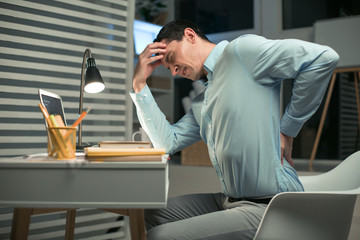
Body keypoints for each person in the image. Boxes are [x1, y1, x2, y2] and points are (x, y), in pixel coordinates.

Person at [130, 19, 339, 239]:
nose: (173, 71)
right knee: (155, 213)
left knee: (162, 236)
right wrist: (139, 85)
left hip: (272, 205)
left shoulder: (241, 52)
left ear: (190, 35)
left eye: (172, 58)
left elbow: (323, 58)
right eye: (169, 68)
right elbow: (167, 143)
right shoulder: (203, 101)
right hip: (230, 201)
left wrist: (289, 128)